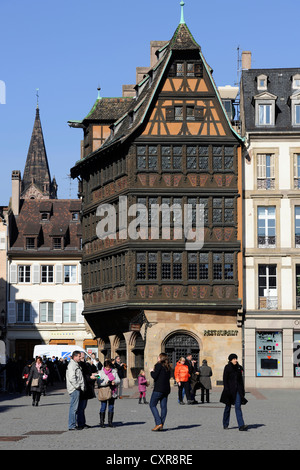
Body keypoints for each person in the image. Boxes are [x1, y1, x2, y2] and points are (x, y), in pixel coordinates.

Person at [220, 353, 248, 431]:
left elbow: (241, 381)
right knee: (228, 407)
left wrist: (242, 390)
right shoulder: (227, 367)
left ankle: (241, 425)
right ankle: (225, 424)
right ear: (230, 360)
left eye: (236, 358)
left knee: (238, 407)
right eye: (234, 359)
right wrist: (226, 389)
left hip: (238, 390)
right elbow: (225, 379)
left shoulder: (239, 368)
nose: (235, 360)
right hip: (229, 391)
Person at [149, 353, 171, 431]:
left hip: (159, 388)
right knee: (163, 407)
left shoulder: (158, 365)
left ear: (161, 358)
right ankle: (161, 424)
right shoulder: (168, 367)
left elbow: (155, 376)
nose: (157, 358)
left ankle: (158, 423)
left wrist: (151, 371)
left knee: (152, 405)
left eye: (158, 357)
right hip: (166, 389)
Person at [66, 350, 85, 431]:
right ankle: (71, 425)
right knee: (73, 408)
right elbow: (72, 378)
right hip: (74, 389)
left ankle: (74, 424)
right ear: (75, 356)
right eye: (79, 356)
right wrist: (77, 386)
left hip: (76, 388)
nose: (80, 358)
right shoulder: (72, 365)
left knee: (75, 408)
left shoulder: (75, 364)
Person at [97, 359, 120, 428]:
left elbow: (118, 380)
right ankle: (102, 422)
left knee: (111, 407)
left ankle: (110, 422)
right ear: (104, 366)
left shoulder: (114, 371)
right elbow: (98, 382)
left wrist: (114, 382)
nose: (108, 368)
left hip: (112, 391)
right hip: (104, 391)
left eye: (109, 367)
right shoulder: (100, 372)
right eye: (106, 367)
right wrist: (107, 381)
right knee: (103, 407)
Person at [78, 352, 98, 429]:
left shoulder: (86, 364)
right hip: (83, 388)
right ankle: (80, 423)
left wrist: (97, 376)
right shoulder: (79, 365)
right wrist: (91, 377)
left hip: (87, 388)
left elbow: (91, 373)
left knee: (83, 407)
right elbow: (83, 377)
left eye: (83, 356)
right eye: (82, 356)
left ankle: (83, 423)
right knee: (81, 407)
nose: (83, 357)